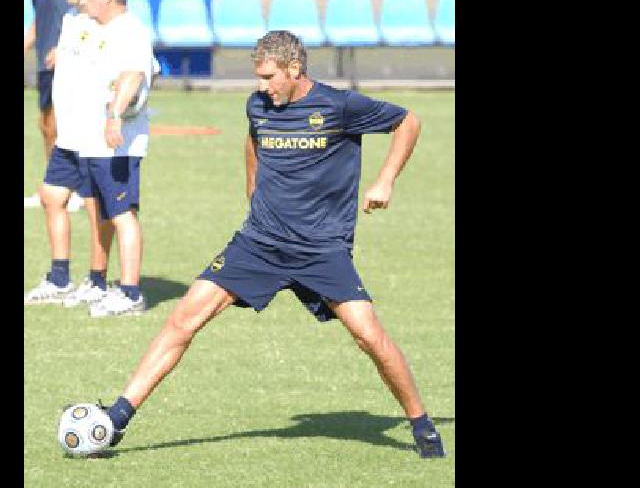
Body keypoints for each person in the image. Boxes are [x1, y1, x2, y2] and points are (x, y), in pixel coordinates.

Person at [89, 30, 446, 458]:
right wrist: (253, 192)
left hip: (320, 250)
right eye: (258, 77)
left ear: (294, 69)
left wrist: (385, 180)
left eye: (268, 77)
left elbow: (408, 121)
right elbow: (254, 138)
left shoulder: (340, 105)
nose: (262, 86)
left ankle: (422, 426)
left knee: (369, 336)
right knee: (183, 320)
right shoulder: (259, 105)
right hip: (258, 242)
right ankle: (116, 419)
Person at [24, 0, 117, 306]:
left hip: (93, 133)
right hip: (70, 134)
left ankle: (98, 280)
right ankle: (60, 278)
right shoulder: (72, 21)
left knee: (96, 206)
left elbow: (131, 71)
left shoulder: (115, 27)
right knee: (50, 195)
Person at [69, 0, 157, 317]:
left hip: (116, 141)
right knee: (102, 212)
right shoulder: (97, 28)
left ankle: (131, 292)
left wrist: (116, 115)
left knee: (123, 214)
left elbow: (134, 75)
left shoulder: (129, 31)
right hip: (93, 141)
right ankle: (99, 281)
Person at [25, 0, 84, 212]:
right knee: (47, 125)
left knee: (72, 125)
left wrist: (64, 47)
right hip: (45, 62)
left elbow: (86, 11)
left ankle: (81, 190)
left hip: (72, 58)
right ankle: (53, 187)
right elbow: (40, 19)